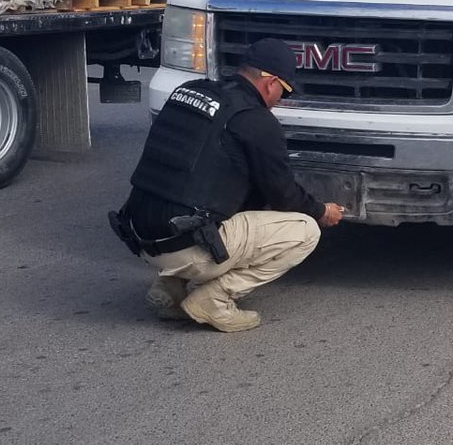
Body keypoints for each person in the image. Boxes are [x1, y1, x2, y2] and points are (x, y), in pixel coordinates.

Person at [110, 38, 345, 332]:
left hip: (141, 236)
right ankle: (214, 300)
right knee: (304, 230)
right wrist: (322, 211)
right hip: (187, 247)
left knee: (202, 197)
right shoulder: (255, 120)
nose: (280, 101)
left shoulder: (189, 91)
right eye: (284, 92)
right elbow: (284, 196)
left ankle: (170, 287)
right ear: (271, 83)